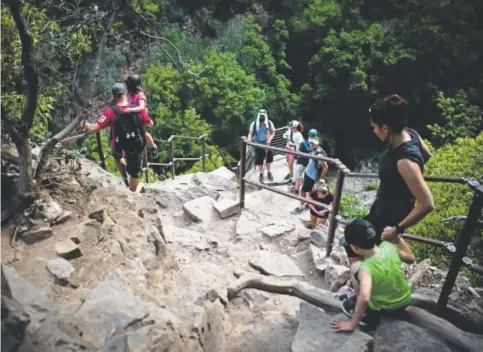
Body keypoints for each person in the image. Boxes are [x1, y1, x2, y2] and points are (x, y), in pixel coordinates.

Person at [342, 94, 435, 266]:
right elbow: (427, 154)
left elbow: (427, 203)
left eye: (374, 127)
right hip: (384, 205)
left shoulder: (405, 161)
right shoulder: (410, 134)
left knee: (352, 243)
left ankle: (362, 287)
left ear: (385, 127)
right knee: (364, 240)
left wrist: (397, 229)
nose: (373, 130)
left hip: (391, 213)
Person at [332, 218, 415, 332]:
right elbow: (411, 258)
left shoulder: (366, 268)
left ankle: (365, 312)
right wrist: (398, 238)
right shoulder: (389, 246)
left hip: (387, 309)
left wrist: (352, 324)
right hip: (405, 300)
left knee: (355, 267)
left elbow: (365, 297)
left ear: (355, 247)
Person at [83, 82, 153, 192]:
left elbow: (92, 129)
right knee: (135, 174)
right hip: (137, 144)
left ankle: (124, 177)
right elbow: (149, 124)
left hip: (120, 145)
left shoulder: (110, 112)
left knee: (116, 154)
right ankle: (131, 192)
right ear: (126, 94)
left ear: (114, 96)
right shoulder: (138, 109)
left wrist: (85, 124)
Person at [123, 74, 158, 158]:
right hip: (134, 118)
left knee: (144, 134)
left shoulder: (140, 95)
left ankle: (153, 146)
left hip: (141, 118)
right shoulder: (132, 95)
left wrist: (130, 110)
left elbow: (142, 107)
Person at [292, 137, 328, 214]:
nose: (311, 144)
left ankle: (301, 207)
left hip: (311, 176)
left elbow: (325, 167)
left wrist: (321, 178)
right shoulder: (314, 150)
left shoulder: (319, 155)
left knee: (302, 191)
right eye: (311, 143)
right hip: (308, 173)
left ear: (317, 144)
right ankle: (310, 204)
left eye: (313, 143)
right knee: (310, 190)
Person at [247, 109, 276, 183]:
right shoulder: (254, 123)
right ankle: (261, 174)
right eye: (261, 116)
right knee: (260, 160)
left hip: (267, 144)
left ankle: (269, 172)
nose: (262, 118)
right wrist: (249, 140)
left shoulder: (269, 123)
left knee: (268, 159)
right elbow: (250, 133)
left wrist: (270, 139)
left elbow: (273, 132)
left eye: (263, 116)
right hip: (258, 144)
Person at [291, 128, 318, 194]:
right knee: (309, 178)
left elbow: (298, 153)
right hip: (310, 164)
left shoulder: (303, 143)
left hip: (301, 163)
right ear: (315, 136)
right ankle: (312, 193)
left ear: (308, 135)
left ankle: (296, 190)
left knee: (298, 177)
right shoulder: (316, 145)